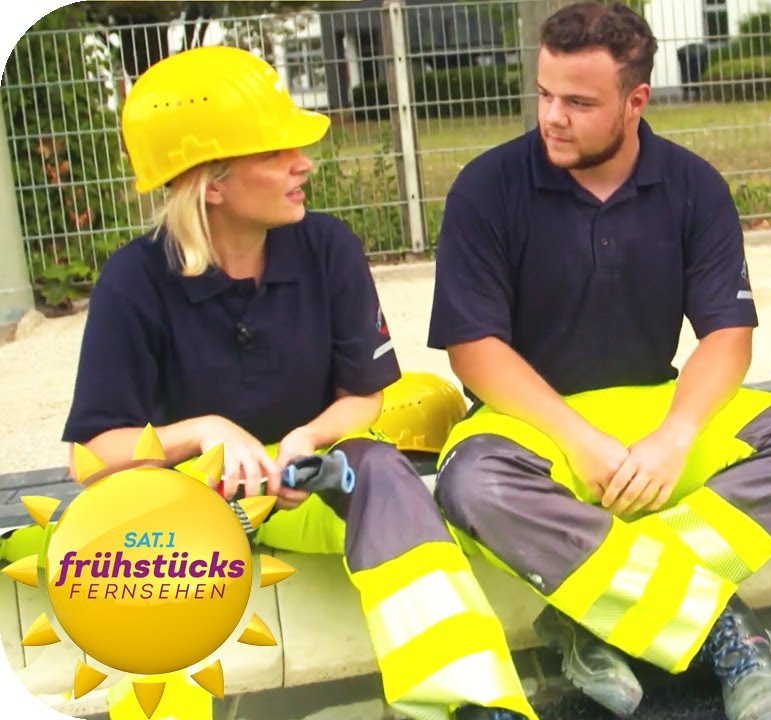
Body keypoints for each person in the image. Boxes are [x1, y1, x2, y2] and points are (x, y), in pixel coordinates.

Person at [58, 45, 536, 720]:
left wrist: (306, 439)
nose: (303, 164)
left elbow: (363, 397)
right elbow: (96, 455)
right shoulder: (134, 282)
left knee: (381, 471)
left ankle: (474, 702)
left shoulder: (328, 247)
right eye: (276, 152)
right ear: (211, 183)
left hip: (307, 485)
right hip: (193, 516)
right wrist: (207, 433)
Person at [426, 4, 771, 720]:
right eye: (544, 94)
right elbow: (475, 350)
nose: (552, 117)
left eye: (579, 102)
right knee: (471, 484)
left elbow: (727, 335)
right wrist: (580, 440)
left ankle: (592, 609)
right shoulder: (486, 187)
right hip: (532, 426)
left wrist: (676, 435)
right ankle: (722, 628)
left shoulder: (692, 186)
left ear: (636, 100)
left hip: (655, 413)